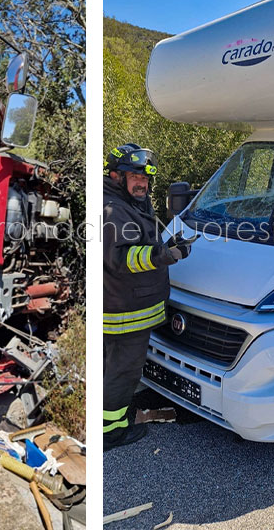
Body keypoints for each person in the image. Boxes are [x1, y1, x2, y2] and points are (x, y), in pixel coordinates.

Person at [102, 144, 193, 451]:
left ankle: (115, 417)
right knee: (122, 373)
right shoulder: (111, 209)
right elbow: (121, 258)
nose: (142, 183)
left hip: (130, 309)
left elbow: (141, 238)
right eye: (134, 176)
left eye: (145, 177)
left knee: (116, 371)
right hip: (124, 315)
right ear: (116, 176)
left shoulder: (131, 203)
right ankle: (112, 432)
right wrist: (163, 255)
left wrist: (166, 242)